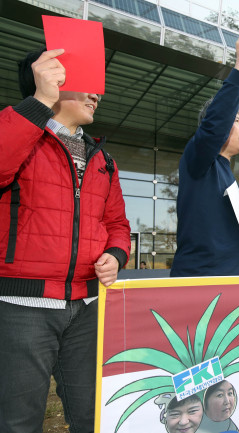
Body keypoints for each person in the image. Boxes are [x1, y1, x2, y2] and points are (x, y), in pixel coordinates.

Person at [0, 48, 131, 431]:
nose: (96, 95)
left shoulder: (103, 158)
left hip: (88, 305)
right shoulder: (18, 132)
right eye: (84, 85)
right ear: (52, 82)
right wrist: (39, 102)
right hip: (22, 305)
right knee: (18, 420)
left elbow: (118, 223)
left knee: (92, 416)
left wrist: (115, 254)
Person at [171, 34, 239, 277]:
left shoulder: (227, 174)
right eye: (236, 121)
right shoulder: (199, 158)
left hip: (234, 286)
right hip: (201, 287)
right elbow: (215, 123)